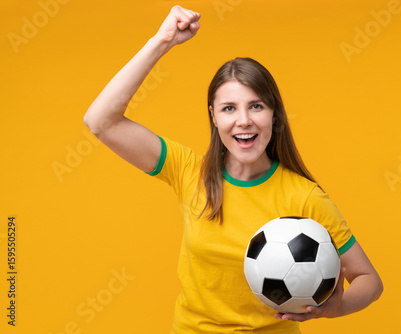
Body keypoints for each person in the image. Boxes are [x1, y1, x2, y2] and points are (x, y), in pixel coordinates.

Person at [83, 5, 383, 333]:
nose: (243, 120)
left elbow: (369, 280)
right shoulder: (188, 171)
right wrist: (163, 40)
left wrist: (333, 309)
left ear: (274, 115)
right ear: (213, 116)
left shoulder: (304, 196)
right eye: (229, 108)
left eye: (256, 106)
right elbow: (101, 122)